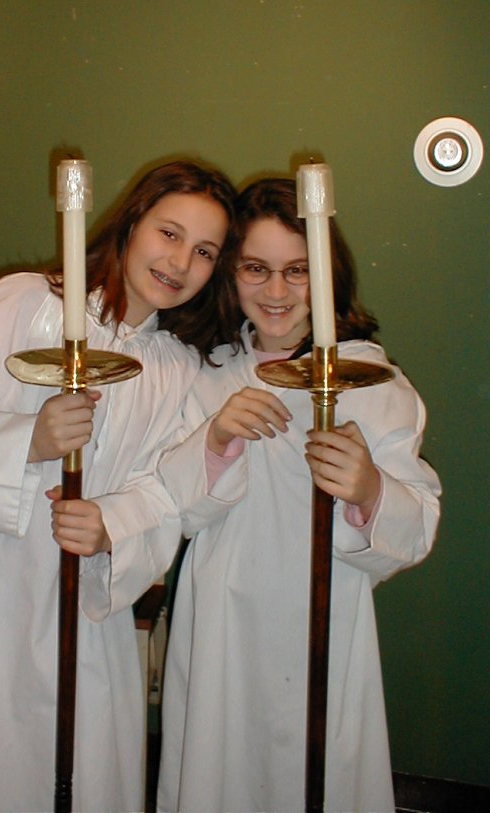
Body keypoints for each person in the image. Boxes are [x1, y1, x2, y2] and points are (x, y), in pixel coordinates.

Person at [0, 159, 235, 813]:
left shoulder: (177, 369)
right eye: (169, 233)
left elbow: (166, 493)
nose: (181, 262)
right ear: (131, 223)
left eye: (205, 251)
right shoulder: (26, 305)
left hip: (83, 613)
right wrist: (26, 441)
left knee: (71, 770)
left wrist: (110, 526)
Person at [156, 178, 441, 813]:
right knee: (218, 768)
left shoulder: (370, 382)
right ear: (231, 273)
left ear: (327, 272)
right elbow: (172, 507)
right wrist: (215, 440)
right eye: (256, 268)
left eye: (297, 270)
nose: (277, 292)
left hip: (321, 617)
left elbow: (417, 528)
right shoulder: (208, 373)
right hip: (222, 623)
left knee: (314, 773)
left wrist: (370, 489)